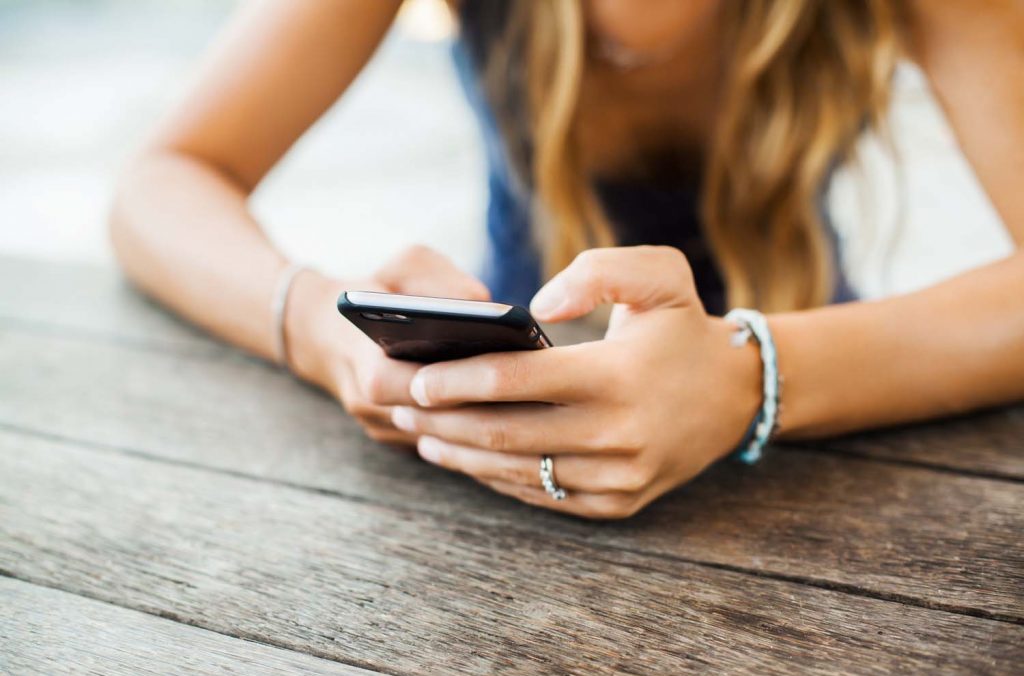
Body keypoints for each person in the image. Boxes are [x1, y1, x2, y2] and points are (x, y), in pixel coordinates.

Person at [110, 0, 1024, 518]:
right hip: (493, 454)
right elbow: (158, 183)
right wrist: (323, 332)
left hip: (837, 432)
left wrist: (747, 376)